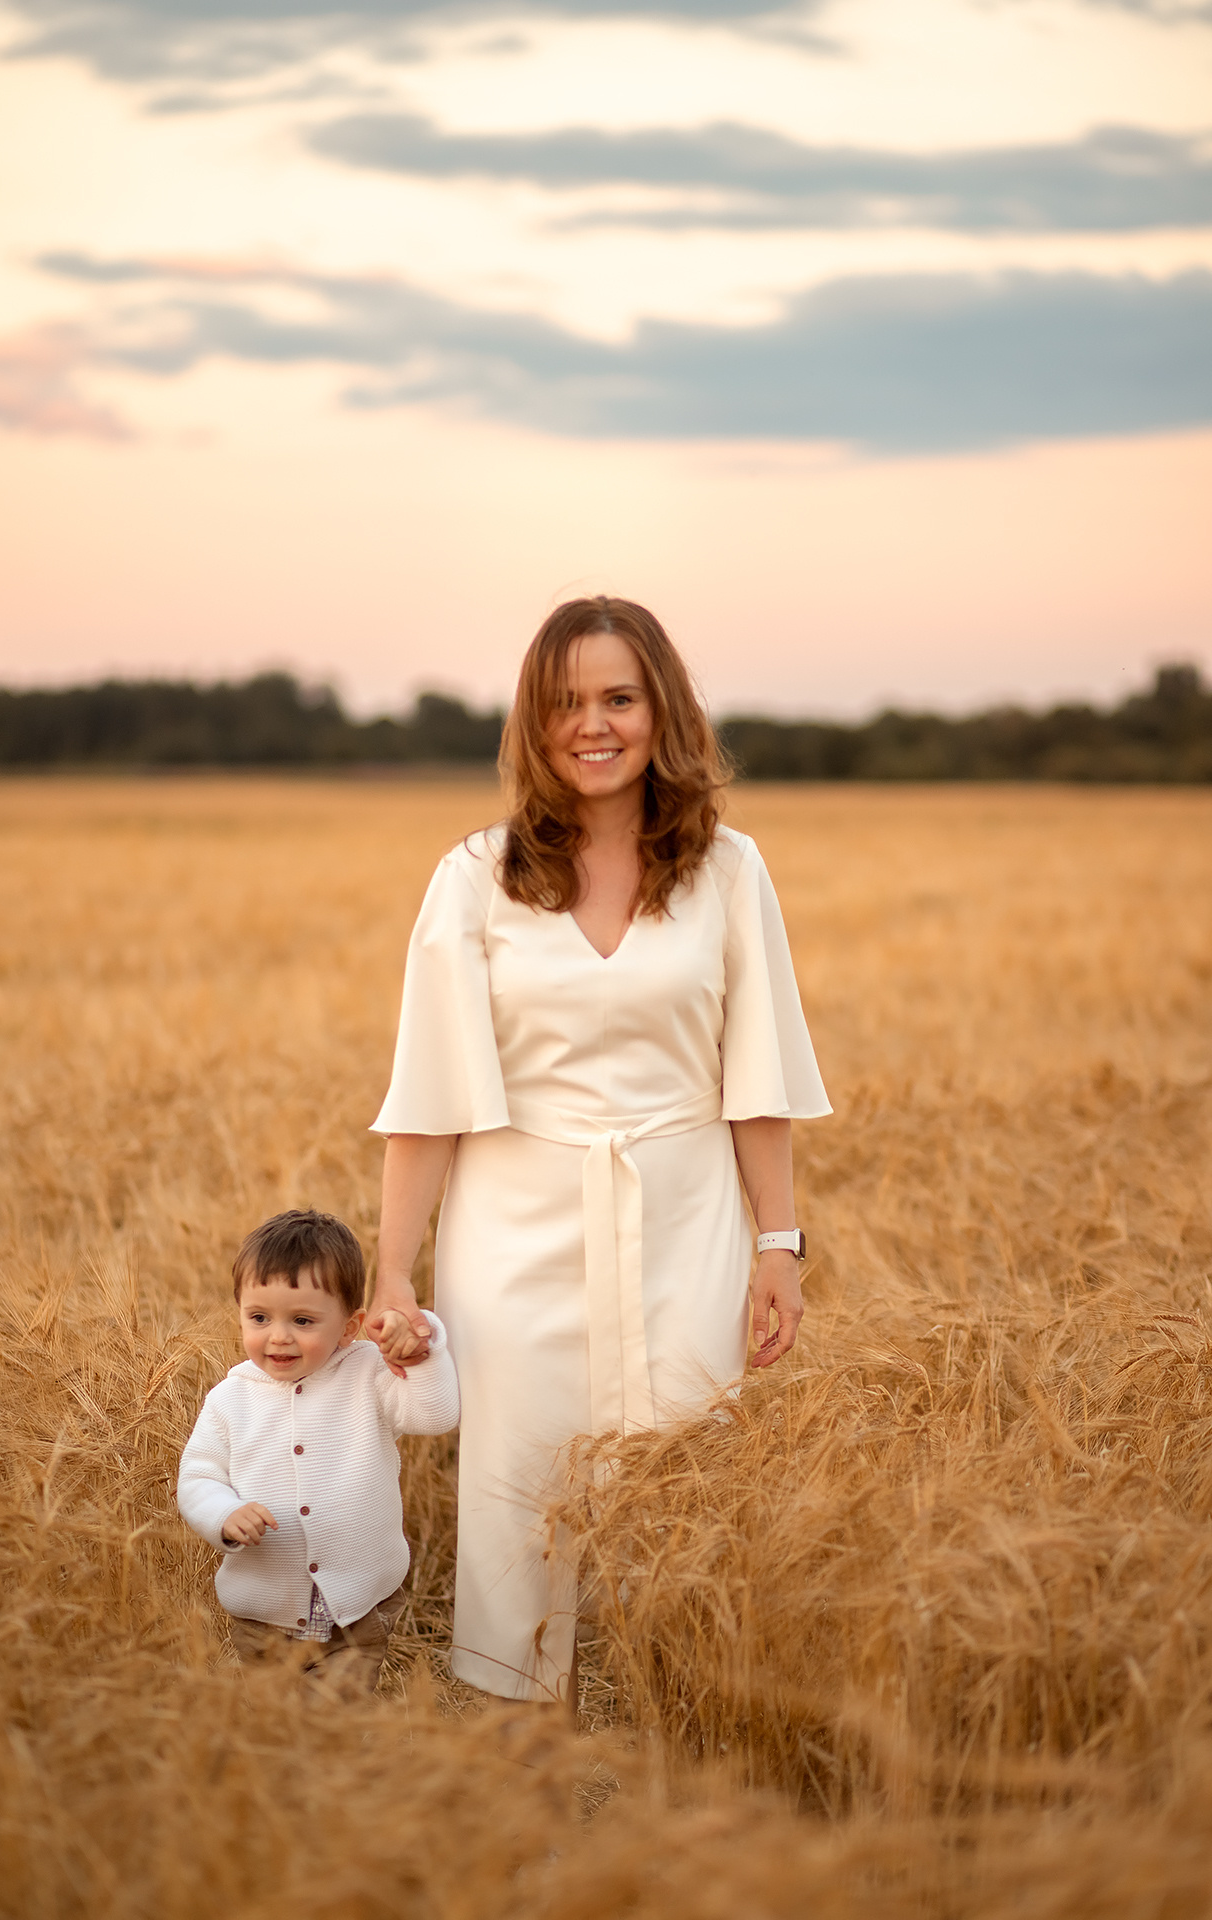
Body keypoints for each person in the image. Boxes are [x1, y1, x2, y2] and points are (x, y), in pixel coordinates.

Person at [369, 596, 830, 1705]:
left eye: (618, 698)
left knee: (690, 1465)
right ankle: (515, 1736)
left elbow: (753, 1075)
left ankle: (686, 1713)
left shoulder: (729, 869)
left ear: (658, 710)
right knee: (518, 1485)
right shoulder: (472, 875)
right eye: (565, 702)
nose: (593, 724)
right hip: (514, 1225)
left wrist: (779, 1245)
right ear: (532, 723)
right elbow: (428, 1097)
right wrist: (391, 1268)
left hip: (688, 1221)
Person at [177, 1207, 459, 1689]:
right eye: (259, 1317)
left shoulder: (367, 1373)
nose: (279, 1336)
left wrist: (419, 1348)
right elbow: (198, 1475)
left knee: (336, 1728)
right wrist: (224, 1512)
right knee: (278, 1726)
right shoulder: (231, 1398)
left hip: (357, 1612)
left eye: (303, 1320)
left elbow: (435, 1417)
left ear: (350, 1327)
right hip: (264, 1613)